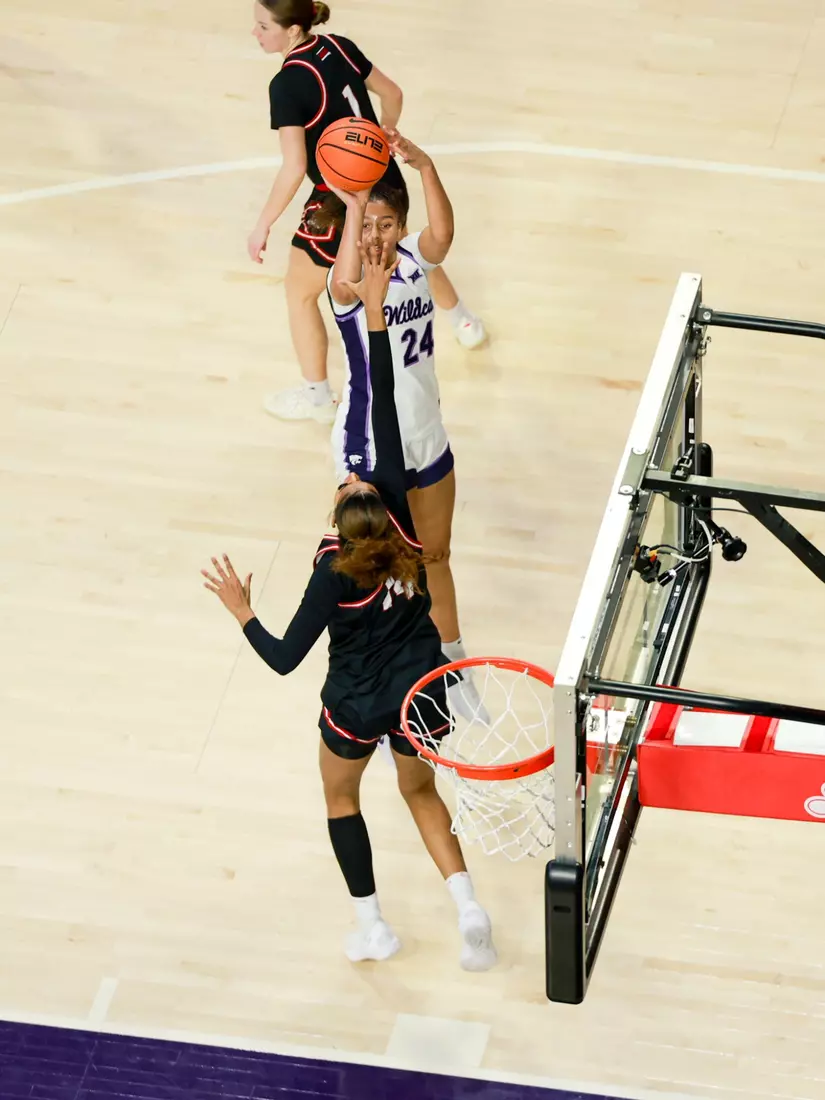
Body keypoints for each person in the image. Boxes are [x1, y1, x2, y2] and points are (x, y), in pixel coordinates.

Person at [202, 240, 496, 971]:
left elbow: (279, 659)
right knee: (421, 792)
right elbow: (385, 411)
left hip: (358, 702)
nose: (350, 479)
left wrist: (241, 608)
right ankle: (467, 906)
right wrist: (370, 321)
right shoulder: (404, 529)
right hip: (421, 688)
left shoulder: (333, 573)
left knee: (342, 802)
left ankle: (374, 928)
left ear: (341, 521)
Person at [249, 0, 487, 425]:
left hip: (341, 200)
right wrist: (385, 136)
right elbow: (393, 94)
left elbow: (295, 167)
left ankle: (318, 397)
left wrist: (262, 223)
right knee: (410, 251)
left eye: (263, 26)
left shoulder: (286, 84)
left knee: (300, 293)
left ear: (291, 30)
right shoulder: (338, 45)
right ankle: (463, 321)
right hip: (386, 177)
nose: (256, 33)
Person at [325, 130, 485, 718]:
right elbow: (346, 276)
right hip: (369, 448)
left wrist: (427, 165)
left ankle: (453, 666)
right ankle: (385, 686)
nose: (375, 235)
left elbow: (442, 234)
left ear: (401, 225)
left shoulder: (417, 260)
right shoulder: (345, 287)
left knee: (435, 558)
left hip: (426, 435)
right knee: (379, 571)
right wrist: (355, 205)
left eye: (385, 223)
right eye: (368, 224)